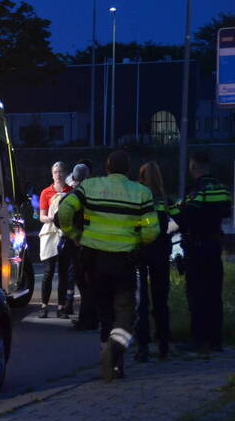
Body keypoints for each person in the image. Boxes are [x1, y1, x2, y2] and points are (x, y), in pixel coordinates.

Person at [58, 150, 159, 382]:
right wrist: (138, 239)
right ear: (129, 170)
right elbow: (151, 229)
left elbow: (64, 210)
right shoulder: (141, 193)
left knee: (104, 312)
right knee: (125, 313)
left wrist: (75, 234)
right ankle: (115, 353)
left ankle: (108, 356)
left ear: (107, 168)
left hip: (94, 259)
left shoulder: (90, 187)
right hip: (123, 262)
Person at [171, 152, 233, 353]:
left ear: (193, 167)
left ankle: (198, 340)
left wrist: (171, 209)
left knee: (197, 295)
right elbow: (226, 212)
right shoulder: (222, 188)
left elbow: (186, 215)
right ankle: (216, 341)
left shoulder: (196, 190)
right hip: (215, 246)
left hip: (197, 247)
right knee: (214, 295)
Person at [134, 161, 173, 361]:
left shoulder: (138, 198)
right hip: (161, 255)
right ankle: (164, 345)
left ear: (142, 178)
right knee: (161, 301)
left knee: (141, 302)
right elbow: (178, 221)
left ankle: (143, 347)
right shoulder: (165, 200)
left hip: (141, 254)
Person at [62, 160, 97, 331]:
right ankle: (91, 318)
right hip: (96, 245)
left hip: (78, 247)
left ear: (74, 178)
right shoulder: (97, 195)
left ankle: (86, 320)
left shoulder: (74, 196)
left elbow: (59, 217)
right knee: (91, 284)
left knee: (83, 283)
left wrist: (73, 235)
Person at [37, 162, 72, 318]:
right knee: (48, 271)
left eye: (60, 171)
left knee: (63, 272)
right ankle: (44, 306)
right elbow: (41, 216)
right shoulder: (46, 192)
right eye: (55, 172)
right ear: (52, 175)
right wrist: (51, 218)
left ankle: (61, 307)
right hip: (50, 233)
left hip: (65, 235)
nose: (58, 174)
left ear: (66, 173)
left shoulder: (71, 192)